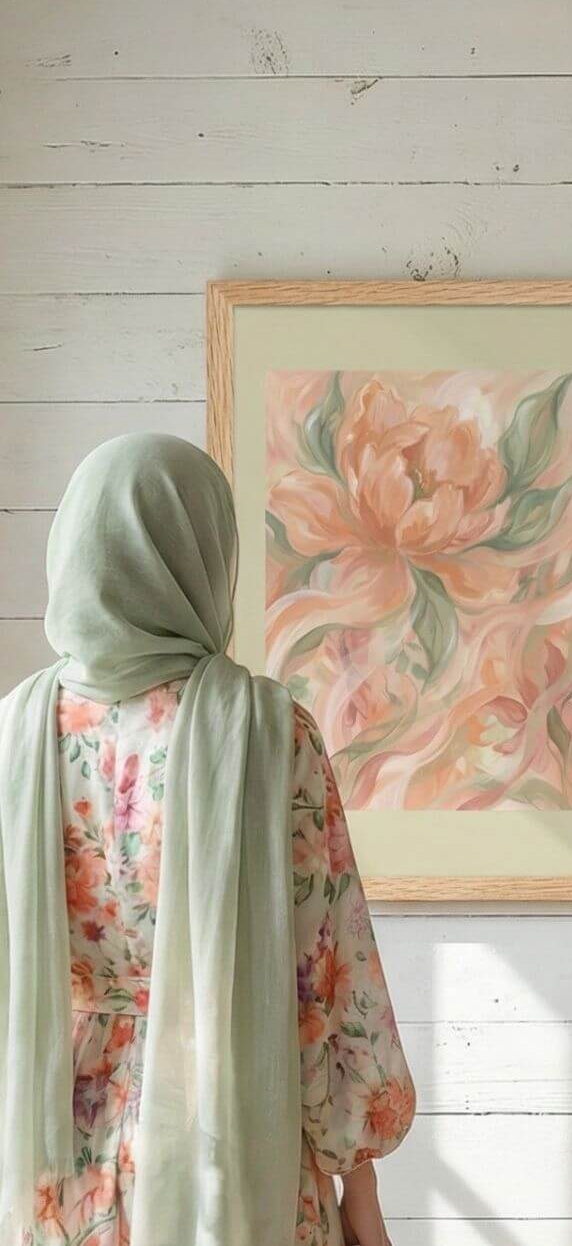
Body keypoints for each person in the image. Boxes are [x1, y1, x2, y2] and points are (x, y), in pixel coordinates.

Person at [0, 435, 414, 1246]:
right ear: (205, 555)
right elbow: (328, 980)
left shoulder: (15, 736)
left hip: (57, 1154)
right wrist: (357, 1180)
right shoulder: (266, 733)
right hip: (231, 1136)